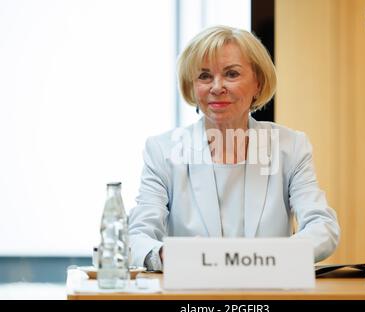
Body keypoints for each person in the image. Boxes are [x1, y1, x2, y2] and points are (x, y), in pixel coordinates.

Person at [128, 25, 340, 271]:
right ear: (192, 86)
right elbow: (136, 237)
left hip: (268, 292)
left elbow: (323, 227)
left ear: (258, 83)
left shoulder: (290, 146)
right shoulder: (163, 150)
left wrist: (271, 257)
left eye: (231, 74)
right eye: (204, 76)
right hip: (192, 295)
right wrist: (167, 255)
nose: (217, 87)